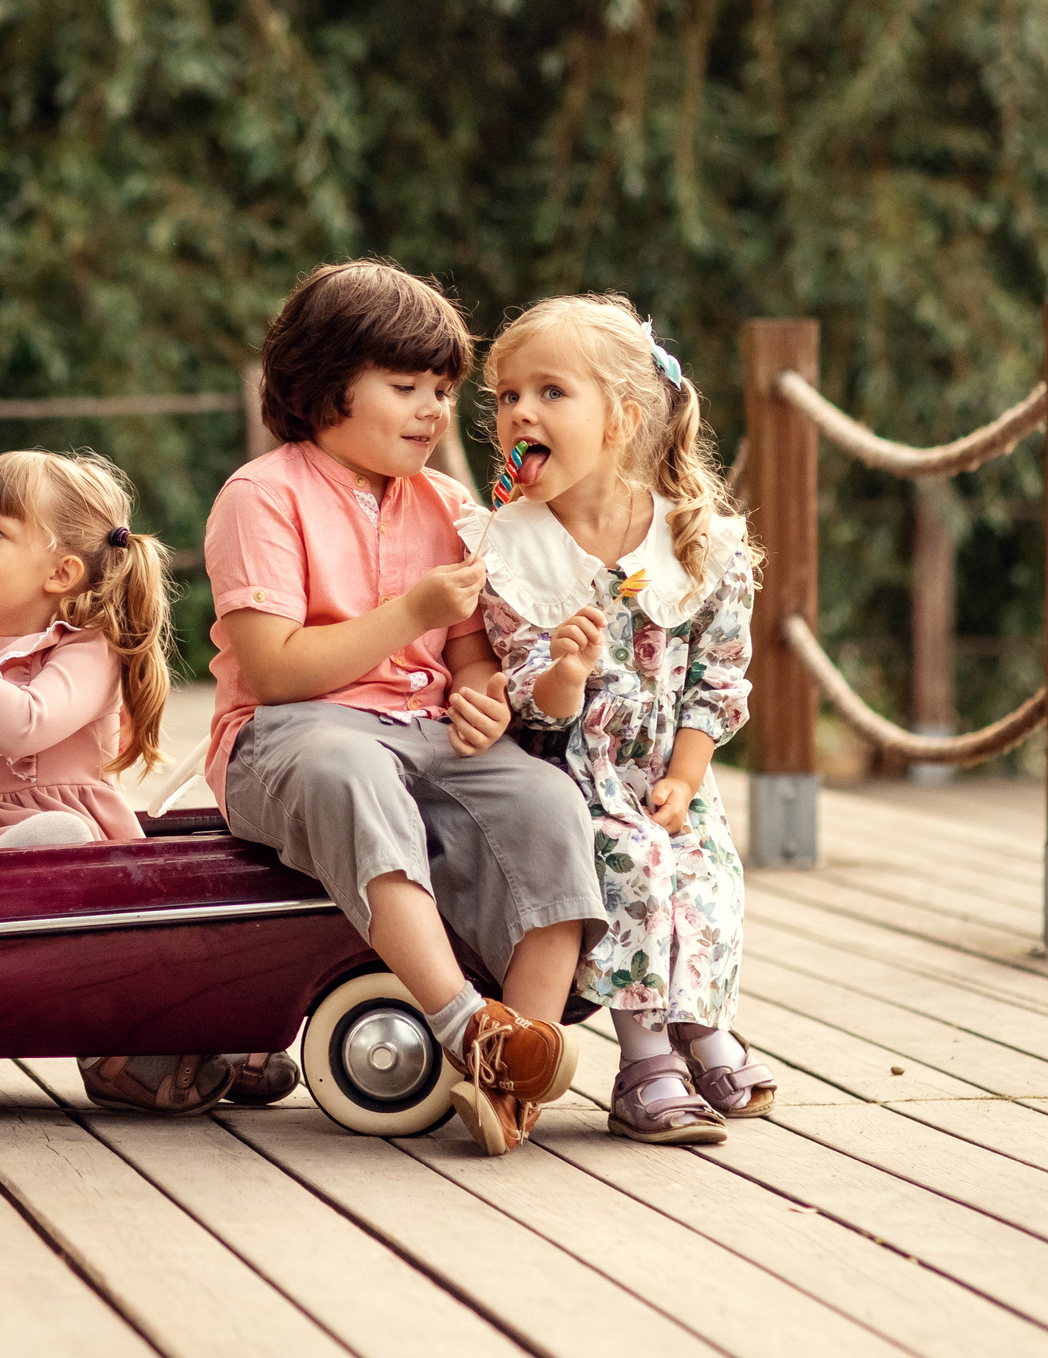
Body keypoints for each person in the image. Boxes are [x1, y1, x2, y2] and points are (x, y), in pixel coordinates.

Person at [205, 261, 602, 1155]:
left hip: (422, 735)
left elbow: (468, 656)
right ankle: (467, 1023)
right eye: (405, 386)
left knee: (547, 803)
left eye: (442, 390)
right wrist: (410, 612)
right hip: (290, 739)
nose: (432, 409)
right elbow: (272, 671)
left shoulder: (450, 503)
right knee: (347, 769)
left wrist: (480, 699)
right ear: (325, 384)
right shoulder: (262, 495)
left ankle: (521, 1067)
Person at [0, 450, 298, 1113]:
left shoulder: (84, 652)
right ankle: (117, 1044)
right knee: (44, 848)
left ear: (62, 572)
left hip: (82, 879)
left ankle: (179, 1034)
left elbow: (24, 723)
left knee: (70, 843)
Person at [471, 293, 776, 1145]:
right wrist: (564, 669)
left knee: (707, 873)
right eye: (505, 396)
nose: (519, 412)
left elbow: (718, 674)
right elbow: (529, 695)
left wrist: (685, 773)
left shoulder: (694, 542)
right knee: (632, 863)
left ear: (623, 418)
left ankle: (700, 1026)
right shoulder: (514, 547)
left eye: (550, 392)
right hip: (572, 777)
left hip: (667, 770)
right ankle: (643, 1058)